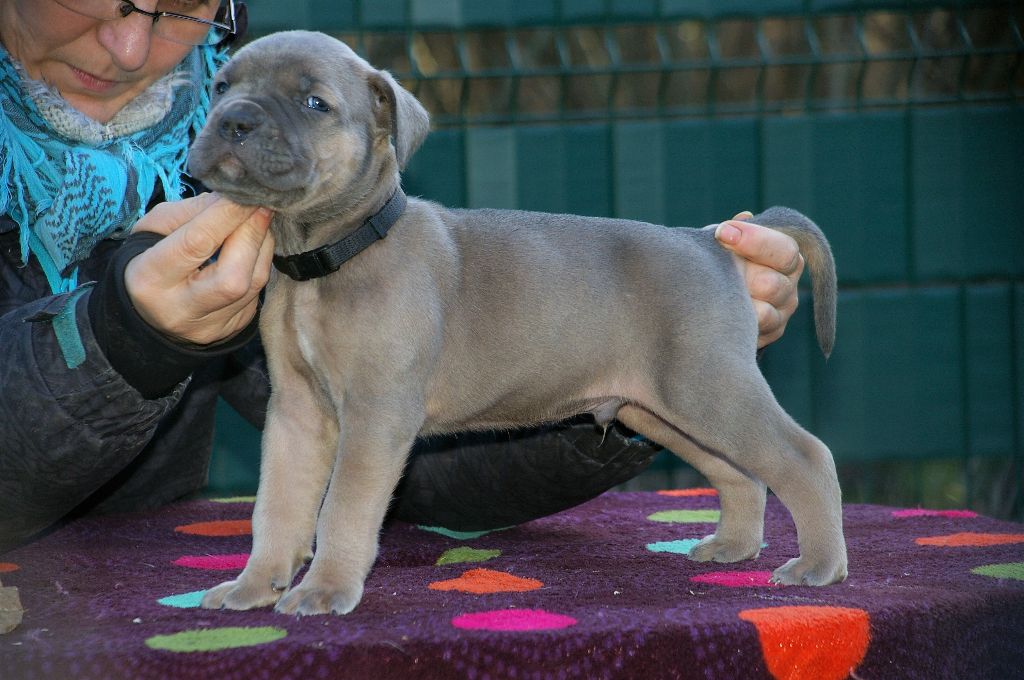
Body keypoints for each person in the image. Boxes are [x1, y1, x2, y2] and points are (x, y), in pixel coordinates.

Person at [0, 0, 805, 552]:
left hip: (139, 592)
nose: (131, 46)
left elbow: (421, 472)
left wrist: (640, 356)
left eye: (180, 6)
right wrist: (120, 341)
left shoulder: (269, 168)